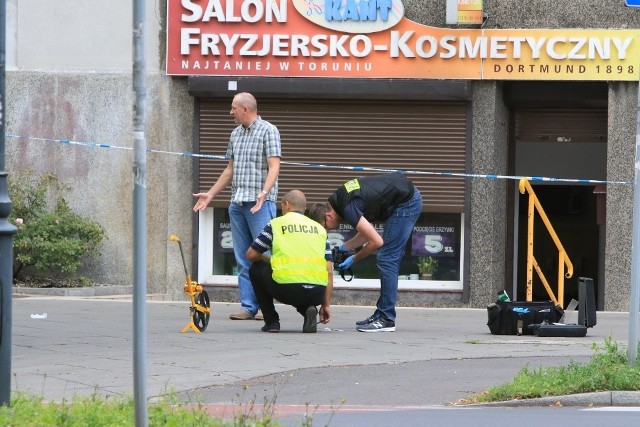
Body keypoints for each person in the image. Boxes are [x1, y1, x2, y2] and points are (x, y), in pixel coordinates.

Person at [193, 92, 281, 321]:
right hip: (238, 203)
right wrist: (210, 194)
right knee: (243, 258)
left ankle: (266, 308)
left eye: (233, 108)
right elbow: (229, 170)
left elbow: (274, 167)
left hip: (260, 204)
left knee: (265, 255)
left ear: (245, 109)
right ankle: (249, 306)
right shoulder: (235, 134)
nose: (230, 112)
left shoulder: (268, 130)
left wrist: (264, 193)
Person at [319, 172, 422, 332]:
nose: (327, 230)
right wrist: (343, 247)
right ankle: (380, 313)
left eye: (324, 227)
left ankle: (386, 318)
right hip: (404, 196)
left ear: (328, 216)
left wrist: (354, 258)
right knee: (386, 256)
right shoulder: (342, 198)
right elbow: (366, 233)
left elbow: (376, 241)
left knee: (387, 258)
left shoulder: (347, 207)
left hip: (406, 202)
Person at [246, 190, 333, 333]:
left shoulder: (276, 224)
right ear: (304, 209)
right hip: (317, 293)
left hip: (286, 290)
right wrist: (326, 305)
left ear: (286, 205)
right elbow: (329, 270)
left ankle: (272, 322)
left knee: (256, 268)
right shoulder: (320, 230)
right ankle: (307, 310)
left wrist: (266, 259)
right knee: (298, 284)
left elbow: (251, 254)